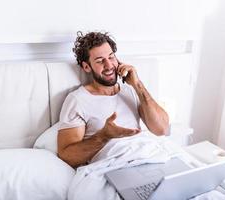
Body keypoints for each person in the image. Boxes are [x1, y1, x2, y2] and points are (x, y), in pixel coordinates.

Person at [57, 31, 169, 168]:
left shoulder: (131, 90)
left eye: (111, 57)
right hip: (114, 166)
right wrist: (103, 136)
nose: (109, 65)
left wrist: (137, 85)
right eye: (100, 61)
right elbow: (67, 156)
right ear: (86, 66)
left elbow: (162, 129)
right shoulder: (77, 100)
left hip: (147, 157)